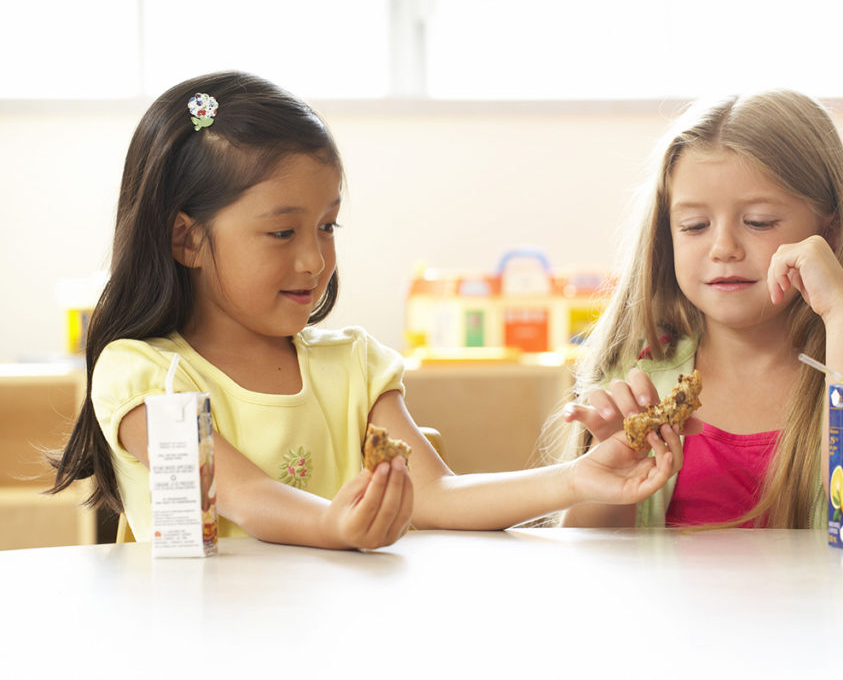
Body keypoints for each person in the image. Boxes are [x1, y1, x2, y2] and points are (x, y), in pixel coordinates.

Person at [49, 71, 688, 550]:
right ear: (186, 237)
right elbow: (242, 495)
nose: (313, 260)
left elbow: (437, 495)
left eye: (327, 227)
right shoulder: (142, 374)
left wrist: (578, 479)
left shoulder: (353, 365)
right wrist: (333, 522)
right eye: (282, 233)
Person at [556, 89, 843, 531]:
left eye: (759, 222)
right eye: (694, 226)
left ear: (830, 234)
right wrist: (614, 465)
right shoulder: (641, 378)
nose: (724, 248)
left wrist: (841, 311)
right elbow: (591, 559)